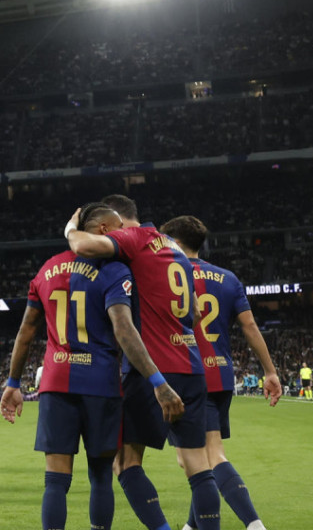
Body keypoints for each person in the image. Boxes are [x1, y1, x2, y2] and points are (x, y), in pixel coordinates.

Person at [2, 203, 183, 530]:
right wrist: (157, 380)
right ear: (101, 230)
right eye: (118, 230)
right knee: (101, 477)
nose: (123, 237)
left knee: (55, 481)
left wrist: (13, 383)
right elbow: (124, 330)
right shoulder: (115, 271)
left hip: (56, 384)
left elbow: (26, 332)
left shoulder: (46, 270)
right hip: (101, 385)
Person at [65, 194, 221, 530]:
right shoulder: (173, 248)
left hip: (151, 370)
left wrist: (71, 229)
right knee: (198, 465)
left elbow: (83, 247)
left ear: (119, 219)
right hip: (192, 366)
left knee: (125, 461)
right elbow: (194, 313)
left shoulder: (134, 238)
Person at [161, 215, 282, 530]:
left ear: (173, 241)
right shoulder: (228, 278)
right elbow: (249, 326)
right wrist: (269, 371)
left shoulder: (166, 275)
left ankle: (255, 525)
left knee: (207, 457)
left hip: (186, 374)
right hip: (221, 373)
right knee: (203, 455)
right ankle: (191, 525)